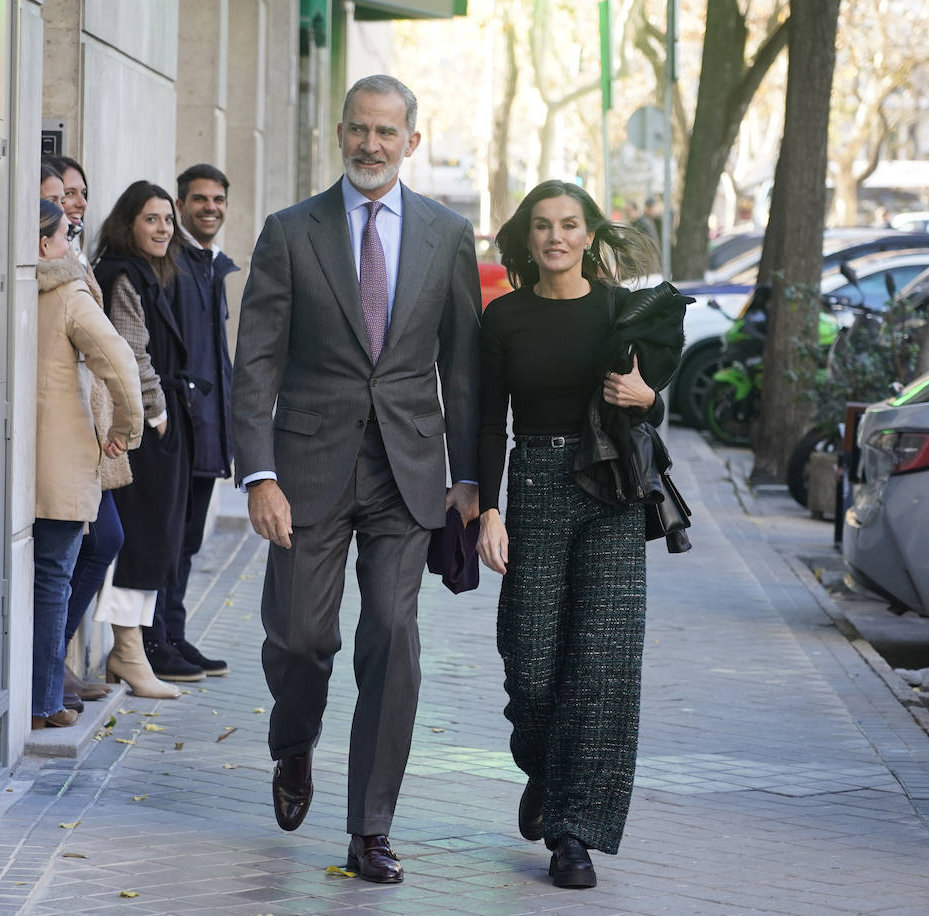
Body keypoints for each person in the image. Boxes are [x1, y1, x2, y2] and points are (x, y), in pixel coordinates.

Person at [231, 74, 481, 883]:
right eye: (358, 130)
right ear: (340, 134)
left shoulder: (448, 234)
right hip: (305, 468)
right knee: (302, 635)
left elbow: (466, 370)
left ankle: (369, 826)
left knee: (393, 634)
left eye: (387, 131)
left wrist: (472, 479)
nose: (371, 145)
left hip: (408, 472)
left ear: (412, 138)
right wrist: (259, 474)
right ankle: (294, 742)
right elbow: (257, 361)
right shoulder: (290, 232)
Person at [476, 179, 680, 889]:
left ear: (590, 234)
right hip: (532, 485)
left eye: (569, 224)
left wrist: (649, 398)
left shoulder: (624, 311)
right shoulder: (504, 319)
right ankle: (546, 767)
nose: (556, 237)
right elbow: (484, 418)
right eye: (543, 226)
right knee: (530, 662)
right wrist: (488, 509)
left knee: (602, 664)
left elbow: (657, 395)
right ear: (528, 238)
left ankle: (573, 832)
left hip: (610, 491)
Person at [34, 198, 143, 728]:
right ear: (43, 245)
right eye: (65, 236)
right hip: (58, 462)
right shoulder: (70, 292)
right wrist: (126, 430)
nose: (72, 245)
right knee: (53, 578)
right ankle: (43, 701)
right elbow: (121, 365)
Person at [92, 180, 198, 693]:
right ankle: (128, 651)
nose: (162, 228)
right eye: (150, 219)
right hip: (141, 428)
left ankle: (131, 651)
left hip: (159, 422)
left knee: (155, 541)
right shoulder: (121, 273)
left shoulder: (148, 272)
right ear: (128, 223)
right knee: (138, 542)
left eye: (165, 220)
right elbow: (128, 352)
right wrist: (155, 413)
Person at [136, 163, 241, 681]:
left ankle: (173, 634)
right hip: (177, 430)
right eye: (200, 199)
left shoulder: (210, 266)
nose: (210, 208)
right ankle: (154, 642)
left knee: (188, 543)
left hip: (208, 432)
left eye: (218, 200)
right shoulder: (171, 265)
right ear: (181, 207)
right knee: (167, 541)